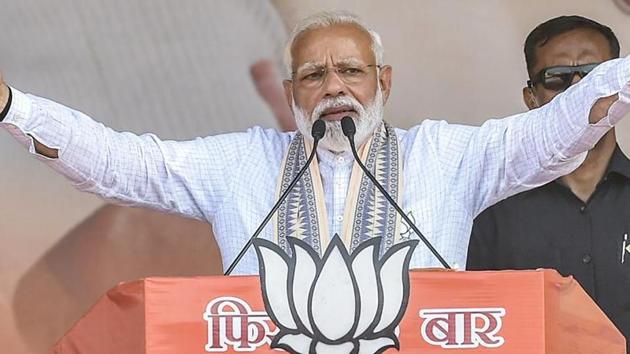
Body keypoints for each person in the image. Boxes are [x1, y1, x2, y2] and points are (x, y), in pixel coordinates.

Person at [0, 11, 628, 275]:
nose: (334, 88)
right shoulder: (244, 163)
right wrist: (13, 107)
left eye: (351, 71)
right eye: (314, 75)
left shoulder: (447, 156)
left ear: (383, 82)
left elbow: (554, 132)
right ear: (292, 91)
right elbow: (122, 165)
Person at [466, 16, 629, 347]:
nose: (578, 92)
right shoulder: (491, 208)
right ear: (531, 98)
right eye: (557, 79)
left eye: (595, 76)